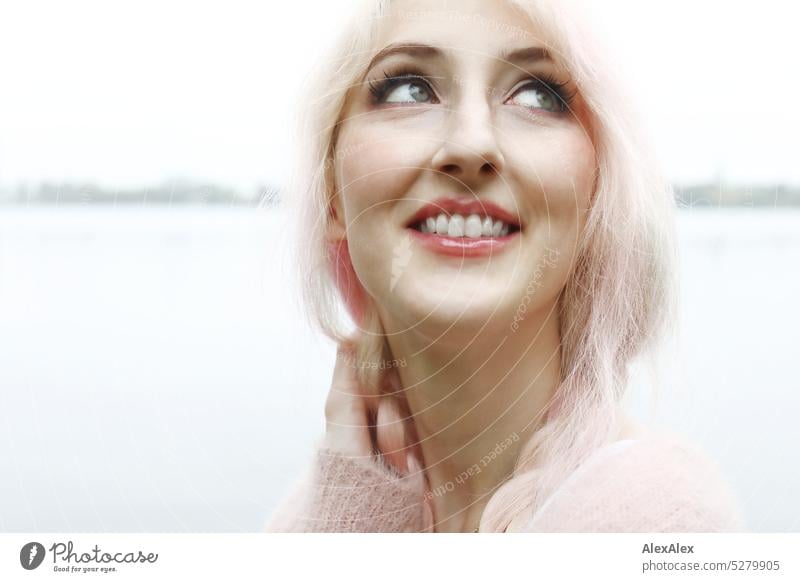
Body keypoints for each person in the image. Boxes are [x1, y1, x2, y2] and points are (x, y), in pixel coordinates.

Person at [265, 0, 746, 533]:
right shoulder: (304, 519)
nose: (471, 144)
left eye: (539, 94)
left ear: (598, 195)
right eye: (409, 88)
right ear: (331, 193)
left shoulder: (663, 524)